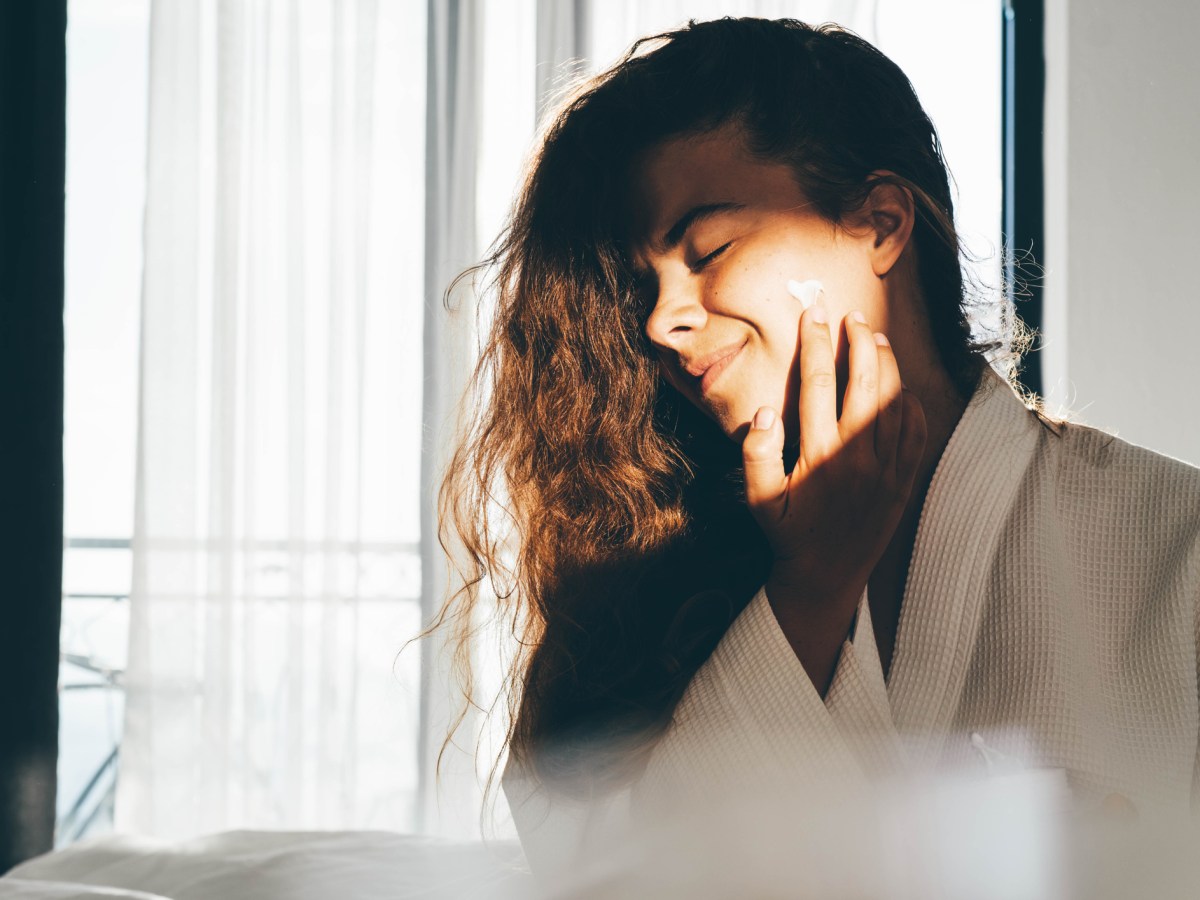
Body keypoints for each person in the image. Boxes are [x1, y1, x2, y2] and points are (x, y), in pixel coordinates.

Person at [434, 16, 1200, 882]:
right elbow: (605, 879)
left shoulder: (1178, 546)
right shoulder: (633, 590)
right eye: (645, 285)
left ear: (879, 223)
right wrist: (811, 593)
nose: (660, 319)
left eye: (710, 249)